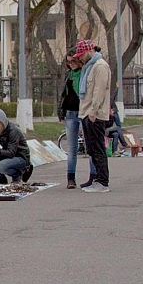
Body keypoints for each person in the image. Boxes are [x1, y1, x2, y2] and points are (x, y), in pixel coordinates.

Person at [74, 39, 111, 192]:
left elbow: (99, 91)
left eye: (82, 55)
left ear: (90, 51)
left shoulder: (100, 66)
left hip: (94, 114)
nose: (80, 58)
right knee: (91, 149)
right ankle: (97, 179)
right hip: (87, 113)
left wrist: (93, 112)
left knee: (97, 148)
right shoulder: (89, 67)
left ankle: (103, 181)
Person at [57, 48, 83, 188]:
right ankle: (70, 179)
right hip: (70, 113)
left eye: (73, 61)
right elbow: (62, 94)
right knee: (72, 148)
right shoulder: (68, 74)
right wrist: (60, 111)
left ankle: (94, 176)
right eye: (68, 62)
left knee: (90, 146)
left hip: (83, 112)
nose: (71, 64)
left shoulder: (84, 73)